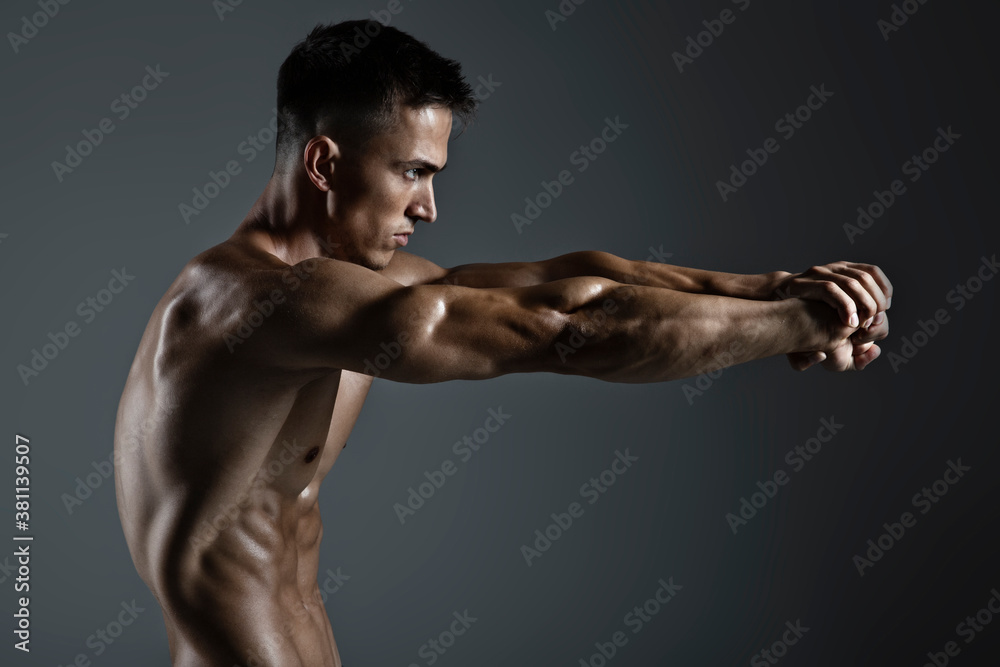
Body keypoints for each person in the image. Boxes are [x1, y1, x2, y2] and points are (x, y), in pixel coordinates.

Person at [113, 19, 891, 667]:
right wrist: (804, 324)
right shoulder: (252, 302)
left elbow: (573, 277)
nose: (429, 206)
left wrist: (778, 288)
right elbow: (570, 329)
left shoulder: (347, 290)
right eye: (413, 172)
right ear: (324, 161)